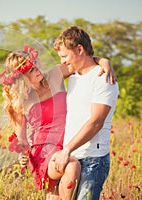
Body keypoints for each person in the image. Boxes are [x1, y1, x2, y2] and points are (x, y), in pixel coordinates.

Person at [1, 46, 114, 199]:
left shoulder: (55, 74)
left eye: (35, 65)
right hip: (44, 150)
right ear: (21, 79)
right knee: (72, 165)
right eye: (30, 71)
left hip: (70, 142)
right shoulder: (20, 102)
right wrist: (22, 155)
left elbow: (81, 62)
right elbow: (21, 138)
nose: (37, 70)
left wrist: (104, 61)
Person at [52, 26, 119, 200]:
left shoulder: (103, 78)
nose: (63, 61)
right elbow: (41, 76)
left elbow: (96, 122)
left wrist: (66, 150)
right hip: (71, 158)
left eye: (65, 56)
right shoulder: (73, 74)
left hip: (93, 160)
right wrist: (102, 59)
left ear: (79, 49)